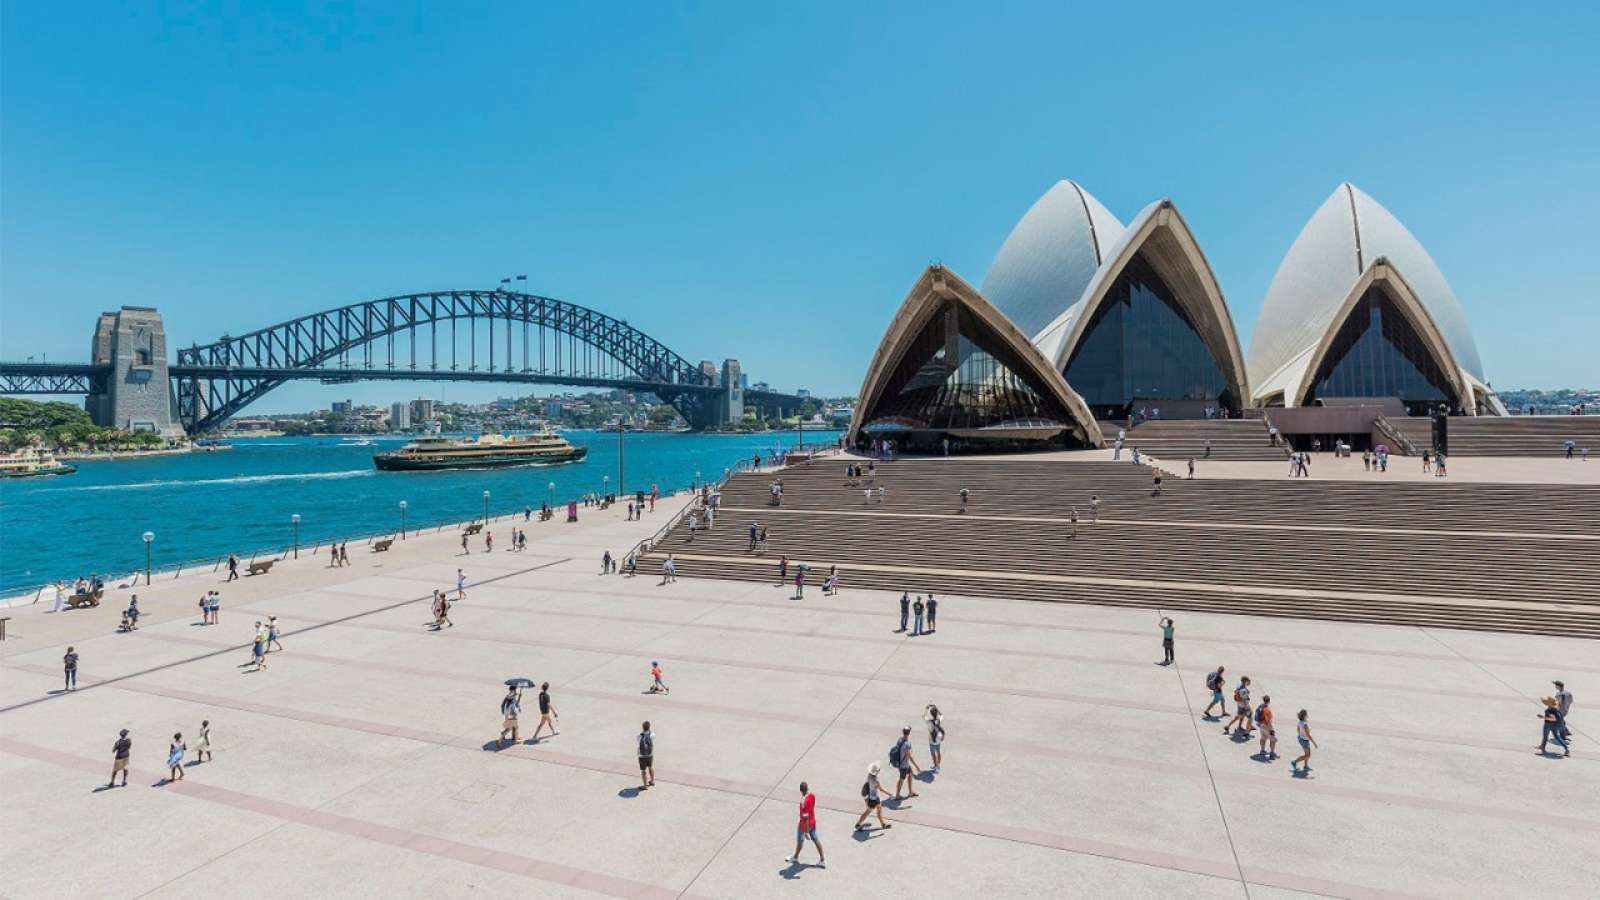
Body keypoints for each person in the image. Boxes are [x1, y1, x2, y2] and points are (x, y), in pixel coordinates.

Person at [787, 781, 826, 867]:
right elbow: (811, 808)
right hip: (813, 822)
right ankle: (822, 860)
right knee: (816, 840)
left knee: (800, 841)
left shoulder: (803, 802)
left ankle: (795, 857)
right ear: (807, 788)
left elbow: (805, 818)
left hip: (804, 826)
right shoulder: (812, 795)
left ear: (801, 790)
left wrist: (806, 831)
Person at [853, 764, 891, 832]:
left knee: (878, 810)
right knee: (868, 812)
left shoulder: (869, 776)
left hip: (872, 797)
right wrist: (889, 794)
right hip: (874, 799)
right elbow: (881, 789)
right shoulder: (876, 781)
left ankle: (883, 824)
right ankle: (858, 824)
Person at [890, 725, 920, 799]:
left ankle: (910, 792)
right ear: (909, 733)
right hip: (904, 765)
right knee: (901, 779)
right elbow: (909, 756)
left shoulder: (900, 739)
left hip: (899, 762)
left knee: (910, 774)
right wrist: (917, 766)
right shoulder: (907, 744)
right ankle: (897, 795)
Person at [925, 704, 945, 772]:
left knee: (933, 754)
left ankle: (935, 766)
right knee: (938, 752)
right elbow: (942, 715)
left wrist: (926, 708)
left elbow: (924, 716)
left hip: (931, 740)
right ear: (936, 713)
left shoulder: (929, 722)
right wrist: (936, 708)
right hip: (938, 740)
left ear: (931, 714)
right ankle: (938, 765)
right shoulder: (939, 720)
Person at [637, 722, 656, 790]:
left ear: (642, 727)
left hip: (642, 756)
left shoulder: (639, 735)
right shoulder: (652, 734)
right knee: (650, 767)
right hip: (650, 755)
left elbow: (638, 743)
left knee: (643, 770)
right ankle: (652, 781)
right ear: (649, 727)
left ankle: (645, 786)